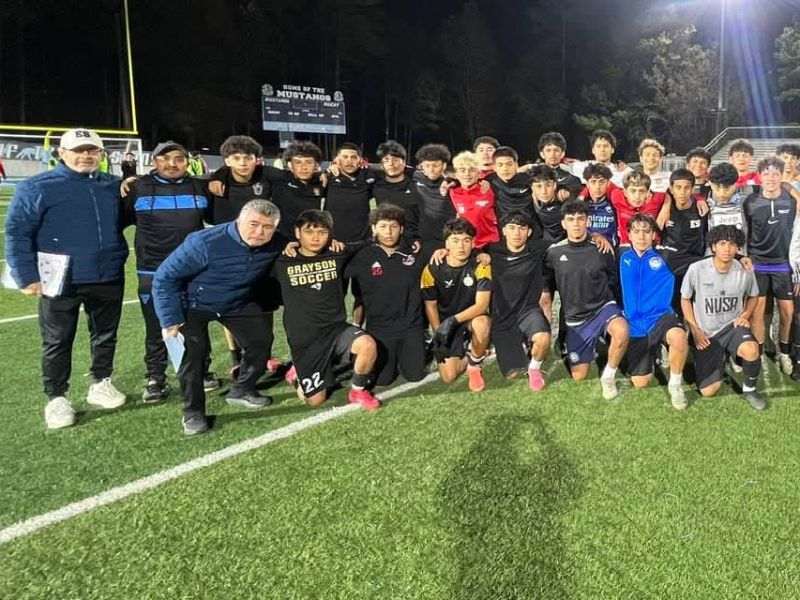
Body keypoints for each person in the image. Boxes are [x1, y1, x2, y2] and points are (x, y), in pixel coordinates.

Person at [5, 128, 129, 429]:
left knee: (105, 334)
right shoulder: (37, 187)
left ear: (101, 154)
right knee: (57, 339)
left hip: (107, 272)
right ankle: (57, 397)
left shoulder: (114, 185)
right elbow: (17, 232)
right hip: (57, 277)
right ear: (62, 153)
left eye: (92, 150)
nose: (85, 155)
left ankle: (101, 381)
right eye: (78, 150)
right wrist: (25, 275)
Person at [153, 200, 288, 435]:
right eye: (253, 224)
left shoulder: (277, 242)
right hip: (192, 304)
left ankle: (242, 388)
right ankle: (192, 413)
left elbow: (302, 244)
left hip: (236, 302)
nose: (259, 232)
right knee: (192, 356)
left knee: (261, 340)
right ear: (239, 220)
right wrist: (170, 319)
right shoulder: (203, 242)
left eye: (267, 227)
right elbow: (164, 278)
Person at [121, 140, 214, 403]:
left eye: (178, 159)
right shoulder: (137, 189)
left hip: (192, 269)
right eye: (165, 158)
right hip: (153, 270)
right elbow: (119, 221)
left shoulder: (200, 187)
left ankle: (201, 370)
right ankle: (155, 377)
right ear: (154, 161)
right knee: (156, 324)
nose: (172, 164)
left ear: (187, 162)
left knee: (195, 323)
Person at [271, 209, 381, 410]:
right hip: (305, 338)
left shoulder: (337, 252)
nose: (315, 238)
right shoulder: (282, 260)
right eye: (309, 232)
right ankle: (295, 374)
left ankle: (357, 390)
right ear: (297, 233)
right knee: (316, 400)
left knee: (367, 345)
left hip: (336, 329)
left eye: (322, 232)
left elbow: (366, 244)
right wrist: (284, 245)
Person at [208, 135, 282, 378]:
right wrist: (217, 175)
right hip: (230, 253)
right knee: (231, 303)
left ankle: (266, 354)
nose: (242, 163)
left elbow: (294, 175)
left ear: (256, 160)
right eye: (236, 158)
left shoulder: (266, 177)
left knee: (265, 303)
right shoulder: (216, 184)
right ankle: (236, 357)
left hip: (262, 251)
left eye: (247, 158)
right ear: (227, 160)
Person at [544, 200, 629, 399]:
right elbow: (547, 284)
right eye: (571, 219)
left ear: (587, 221)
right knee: (579, 375)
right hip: (576, 318)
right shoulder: (553, 253)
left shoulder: (602, 248)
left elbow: (613, 280)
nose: (576, 223)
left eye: (580, 219)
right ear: (563, 223)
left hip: (602, 308)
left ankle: (608, 376)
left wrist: (619, 309)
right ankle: (579, 344)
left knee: (622, 330)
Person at [680, 225, 765, 410]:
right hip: (707, 333)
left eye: (732, 244)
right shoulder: (697, 269)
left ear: (738, 248)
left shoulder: (745, 270)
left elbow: (753, 296)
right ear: (713, 247)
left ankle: (749, 390)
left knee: (751, 350)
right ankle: (719, 358)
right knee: (708, 391)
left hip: (732, 327)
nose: (727, 249)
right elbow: (685, 299)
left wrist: (745, 315)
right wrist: (694, 329)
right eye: (722, 243)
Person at [345, 204, 427, 386]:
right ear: (374, 228)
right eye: (382, 226)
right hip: (380, 328)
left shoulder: (414, 254)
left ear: (402, 229)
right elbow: (358, 297)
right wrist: (356, 326)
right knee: (383, 380)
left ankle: (422, 343)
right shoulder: (362, 256)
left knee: (415, 375)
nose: (388, 232)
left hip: (411, 327)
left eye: (394, 227)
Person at [619, 214, 689, 409]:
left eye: (646, 232)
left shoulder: (666, 256)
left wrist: (741, 258)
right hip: (635, 325)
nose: (641, 236)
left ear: (654, 236)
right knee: (641, 383)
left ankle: (675, 385)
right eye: (637, 231)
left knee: (678, 337)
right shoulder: (621, 256)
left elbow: (701, 259)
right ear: (629, 235)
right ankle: (655, 350)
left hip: (661, 318)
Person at [421, 219, 492, 392]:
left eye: (466, 240)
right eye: (455, 240)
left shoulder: (480, 265)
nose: (461, 246)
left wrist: (452, 321)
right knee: (449, 377)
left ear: (473, 243)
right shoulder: (431, 269)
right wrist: (439, 332)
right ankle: (474, 349)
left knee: (482, 324)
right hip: (447, 323)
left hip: (471, 318)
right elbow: (430, 305)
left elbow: (482, 306)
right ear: (446, 244)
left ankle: (474, 364)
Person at [743, 156, 798, 375]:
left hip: (783, 265)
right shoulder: (750, 202)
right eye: (766, 173)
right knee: (758, 313)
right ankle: (759, 355)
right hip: (758, 263)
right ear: (760, 176)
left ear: (782, 176)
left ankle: (783, 352)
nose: (771, 178)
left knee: (787, 311)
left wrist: (792, 188)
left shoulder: (791, 200)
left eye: (776, 173)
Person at [484, 211, 552, 389]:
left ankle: (535, 368)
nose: (517, 233)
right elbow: (462, 250)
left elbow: (569, 241)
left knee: (544, 339)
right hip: (502, 316)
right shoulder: (490, 250)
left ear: (529, 232)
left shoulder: (538, 249)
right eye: (512, 228)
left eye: (522, 228)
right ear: (504, 231)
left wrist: (597, 237)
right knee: (513, 374)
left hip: (528, 312)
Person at [209, 140, 325, 239]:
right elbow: (239, 167)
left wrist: (327, 173)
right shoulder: (278, 177)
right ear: (289, 164)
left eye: (309, 162)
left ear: (316, 165)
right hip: (281, 240)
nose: (303, 167)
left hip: (310, 238)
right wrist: (218, 176)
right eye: (298, 162)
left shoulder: (322, 182)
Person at [657, 168, 708, 313]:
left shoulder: (702, 208)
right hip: (670, 262)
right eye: (678, 187)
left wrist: (699, 198)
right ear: (671, 189)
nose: (682, 192)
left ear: (692, 189)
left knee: (694, 307)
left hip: (694, 262)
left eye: (687, 188)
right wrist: (666, 203)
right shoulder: (664, 207)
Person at [372, 140, 421, 249]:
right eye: (386, 160)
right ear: (382, 164)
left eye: (395, 159)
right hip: (385, 241)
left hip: (414, 242)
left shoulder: (416, 184)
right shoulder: (376, 185)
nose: (391, 164)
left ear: (404, 162)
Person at [413, 143, 456, 265]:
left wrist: (454, 179)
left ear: (443, 166)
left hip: (446, 240)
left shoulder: (452, 184)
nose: (431, 169)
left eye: (435, 165)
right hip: (422, 240)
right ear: (422, 166)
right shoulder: (416, 178)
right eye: (427, 165)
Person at [447, 151, 500, 249]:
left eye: (472, 170)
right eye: (462, 170)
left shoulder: (489, 189)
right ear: (456, 174)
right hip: (467, 246)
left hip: (491, 244)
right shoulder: (452, 193)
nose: (467, 174)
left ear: (479, 173)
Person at [536, 132, 583, 200]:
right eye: (548, 150)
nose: (552, 154)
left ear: (562, 153)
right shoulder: (532, 177)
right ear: (542, 154)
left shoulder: (573, 180)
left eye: (556, 150)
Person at [581, 163, 618, 246]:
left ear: (608, 183)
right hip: (585, 249)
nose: (597, 186)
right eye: (593, 182)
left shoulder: (615, 204)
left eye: (602, 182)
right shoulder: (580, 206)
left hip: (610, 249)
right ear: (587, 184)